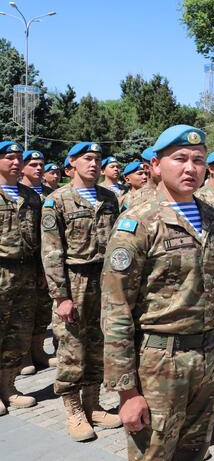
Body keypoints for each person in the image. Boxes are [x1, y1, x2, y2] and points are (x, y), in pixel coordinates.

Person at [101, 125, 214, 460]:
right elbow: (116, 309)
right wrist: (126, 391)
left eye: (198, 160)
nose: (191, 168)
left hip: (206, 356)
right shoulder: (138, 224)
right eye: (180, 159)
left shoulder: (212, 219)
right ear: (156, 166)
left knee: (195, 452)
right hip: (159, 364)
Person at [41, 141, 122, 441]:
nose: (94, 163)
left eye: (98, 159)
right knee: (71, 346)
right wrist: (61, 296)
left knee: (99, 344)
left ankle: (93, 403)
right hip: (74, 280)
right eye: (87, 158)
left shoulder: (109, 198)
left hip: (104, 279)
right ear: (71, 165)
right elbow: (51, 252)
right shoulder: (57, 201)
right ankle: (74, 410)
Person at [0, 141, 41, 415]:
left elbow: (40, 238)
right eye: (9, 157)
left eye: (18, 158)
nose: (16, 162)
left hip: (26, 272)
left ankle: (8, 387)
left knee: (18, 333)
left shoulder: (31, 197)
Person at [18, 149, 58, 374]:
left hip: (45, 259)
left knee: (42, 308)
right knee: (21, 312)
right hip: (22, 261)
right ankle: (23, 355)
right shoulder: (19, 194)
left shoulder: (51, 194)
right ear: (23, 167)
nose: (39, 168)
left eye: (41, 164)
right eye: (33, 164)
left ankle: (38, 350)